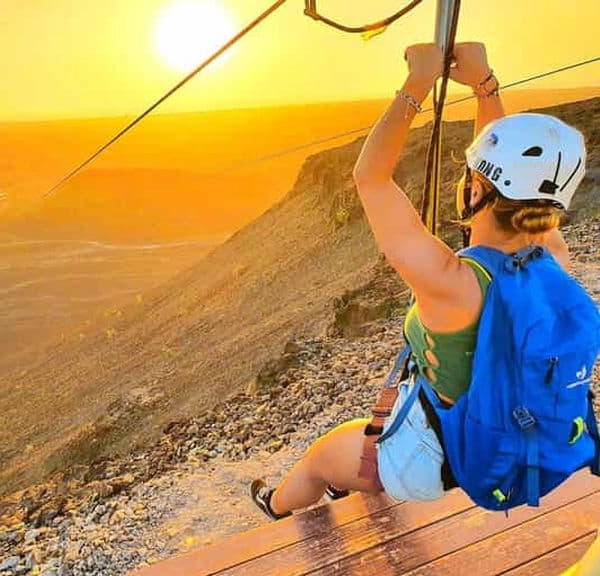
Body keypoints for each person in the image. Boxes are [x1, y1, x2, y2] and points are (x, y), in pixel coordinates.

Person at [250, 41, 587, 519]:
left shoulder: (450, 282)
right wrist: (484, 86)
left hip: (432, 459)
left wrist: (417, 84)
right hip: (511, 442)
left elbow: (369, 177)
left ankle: (275, 507)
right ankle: (357, 477)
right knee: (362, 444)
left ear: (475, 189)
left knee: (317, 461)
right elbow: (511, 184)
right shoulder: (551, 255)